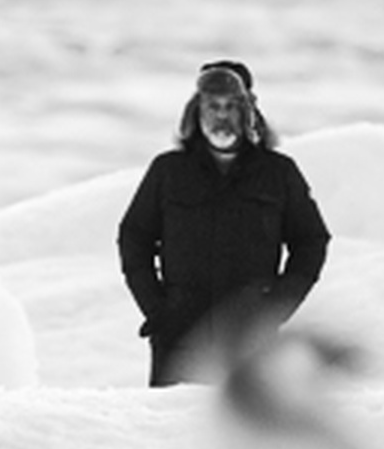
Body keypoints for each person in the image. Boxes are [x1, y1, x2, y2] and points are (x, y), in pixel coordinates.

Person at [117, 60, 332, 387]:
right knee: (169, 431)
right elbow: (134, 238)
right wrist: (157, 310)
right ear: (195, 113)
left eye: (231, 107)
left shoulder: (278, 173)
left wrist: (275, 308)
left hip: (250, 341)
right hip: (179, 338)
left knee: (244, 432)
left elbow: (311, 241)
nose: (221, 116)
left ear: (247, 114)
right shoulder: (168, 171)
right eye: (212, 106)